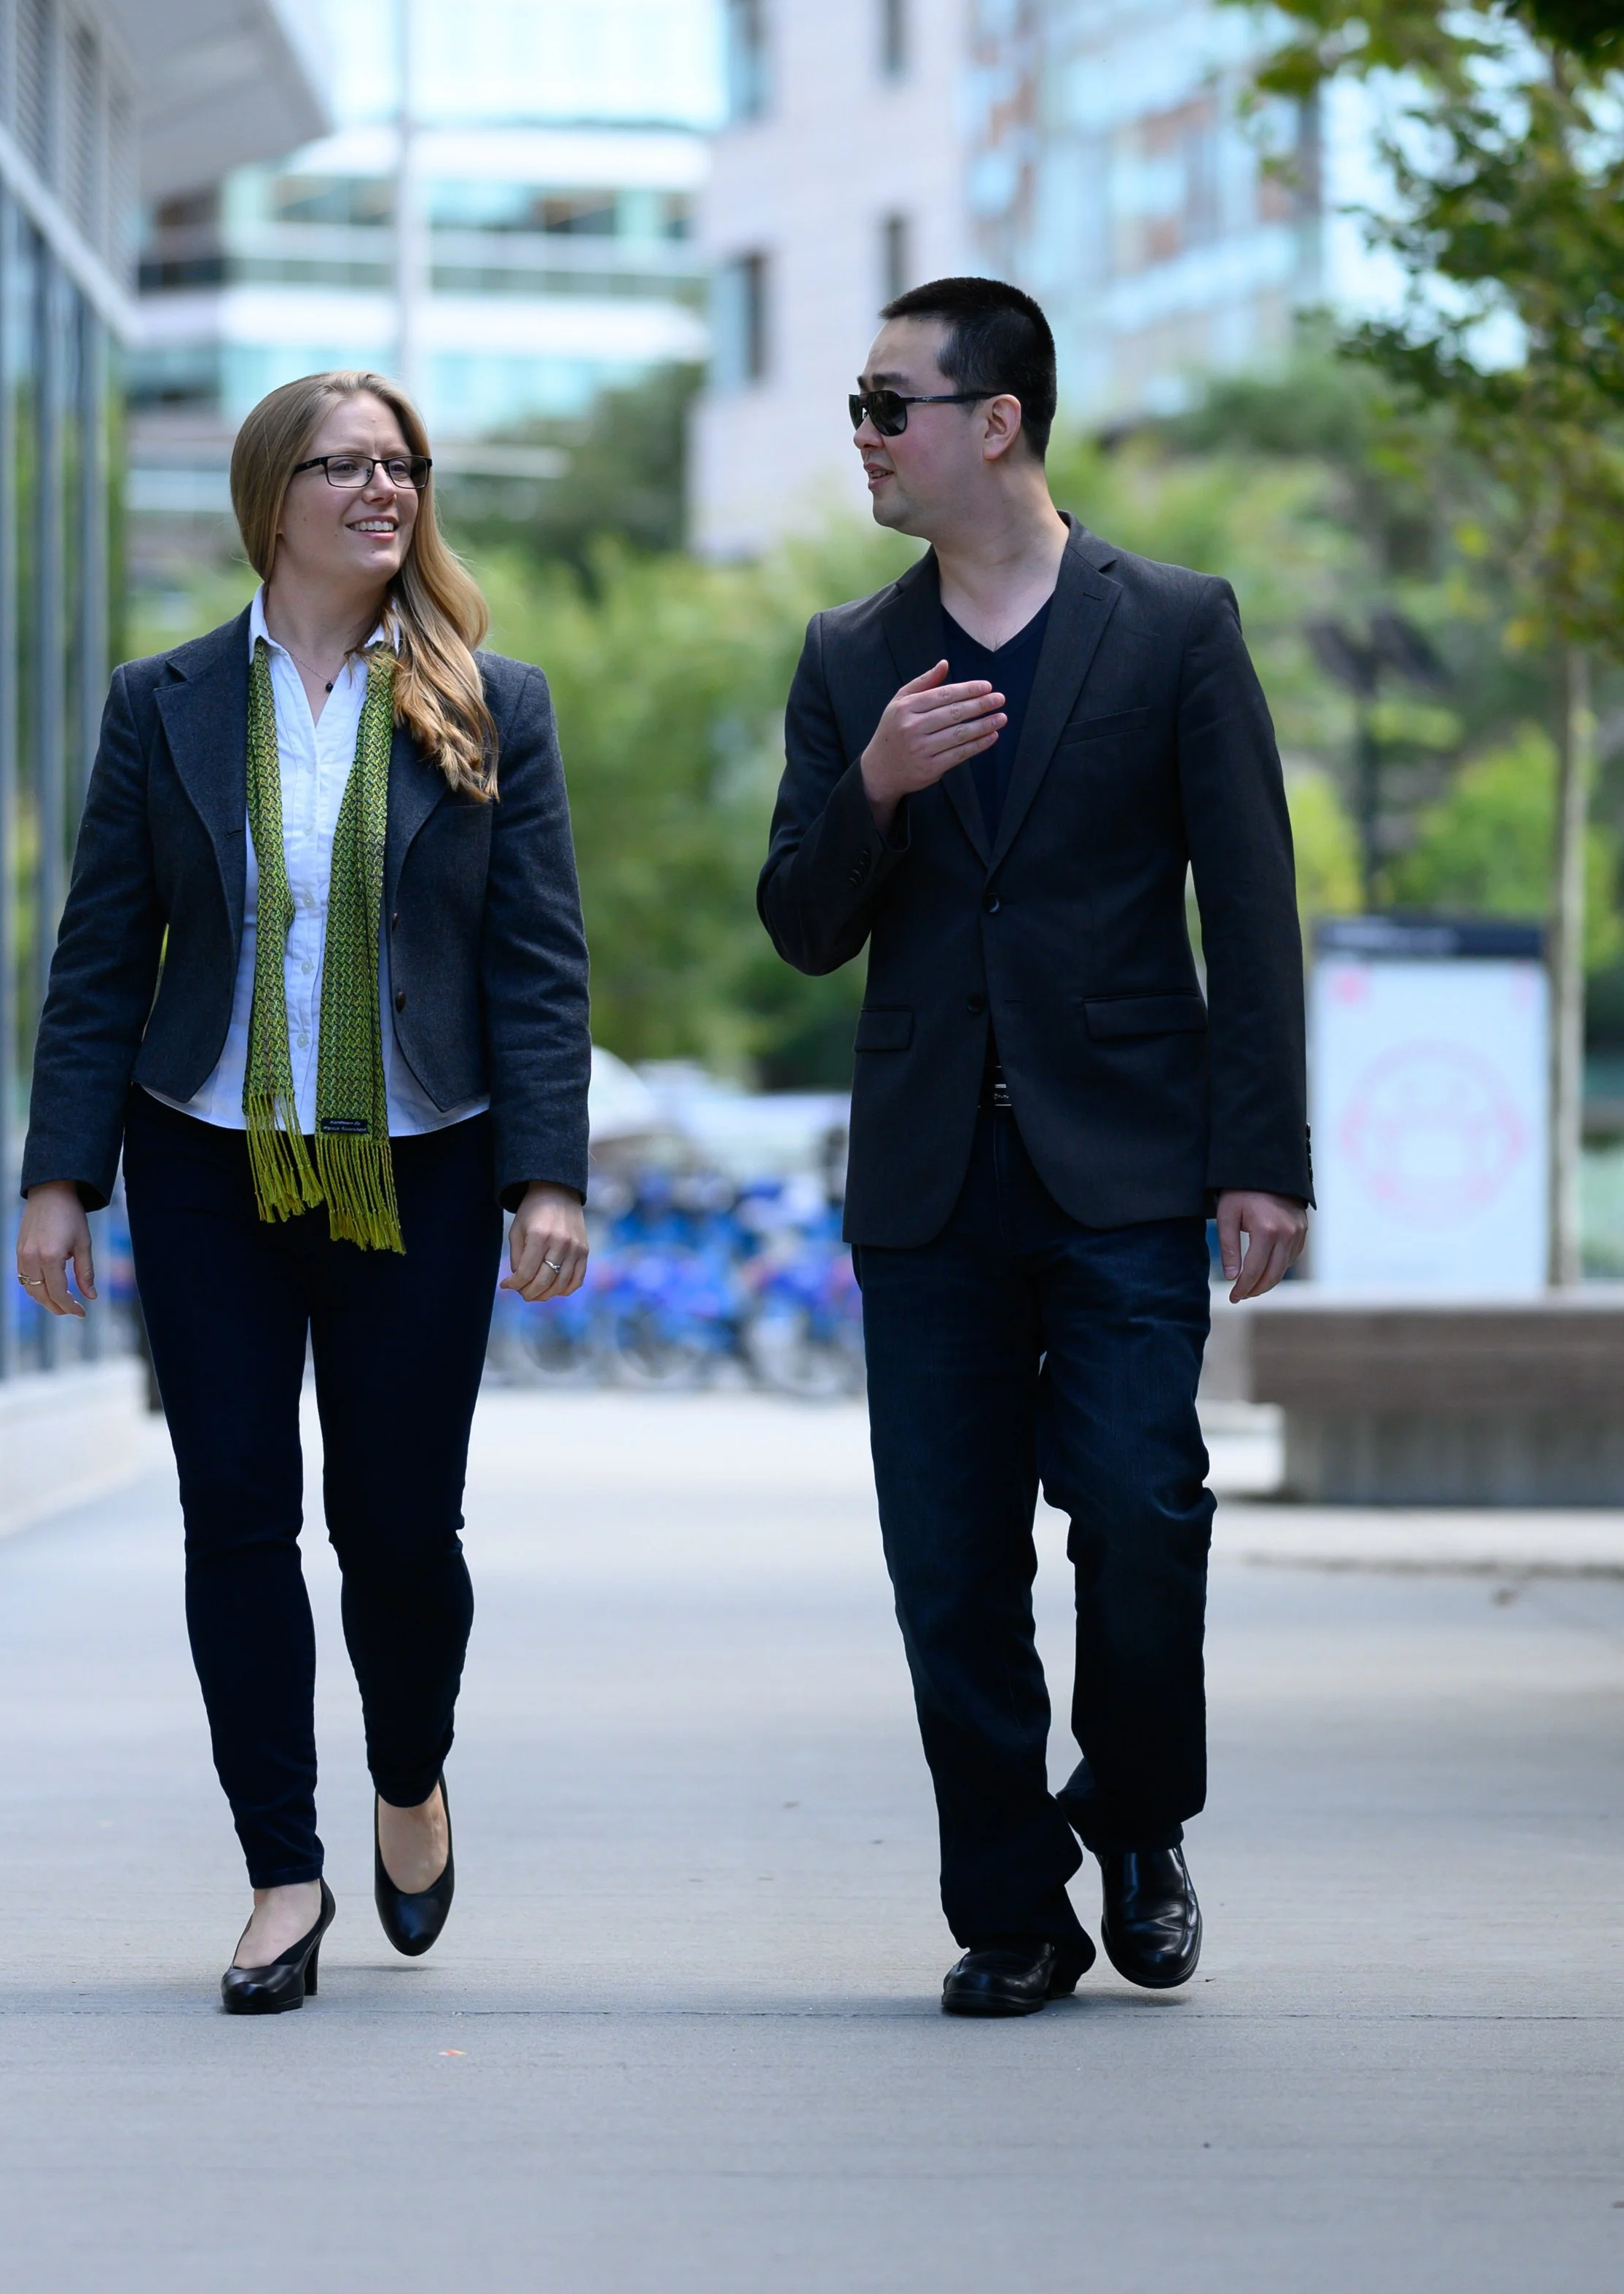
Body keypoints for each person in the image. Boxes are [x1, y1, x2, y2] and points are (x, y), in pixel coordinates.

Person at [758, 279, 1311, 2018]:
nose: (862, 434)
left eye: (885, 403)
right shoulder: (851, 656)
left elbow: (1252, 901)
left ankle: (1137, 1818)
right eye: (857, 405)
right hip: (928, 1181)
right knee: (948, 1560)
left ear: (992, 420)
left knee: (1143, 1509)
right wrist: (877, 786)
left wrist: (1261, 1153)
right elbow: (796, 924)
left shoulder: (1172, 624)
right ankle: (1008, 1904)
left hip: (1129, 1161)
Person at [16, 370, 591, 2014]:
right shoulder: (170, 701)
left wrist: (547, 1168)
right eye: (345, 463)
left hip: (424, 1155)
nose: (382, 487)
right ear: (272, 497)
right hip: (207, 1151)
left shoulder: (493, 701)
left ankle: (407, 1773)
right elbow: (103, 951)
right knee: (238, 1516)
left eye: (401, 462)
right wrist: (66, 1175)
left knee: (399, 1529)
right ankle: (282, 1868)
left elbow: (537, 961)